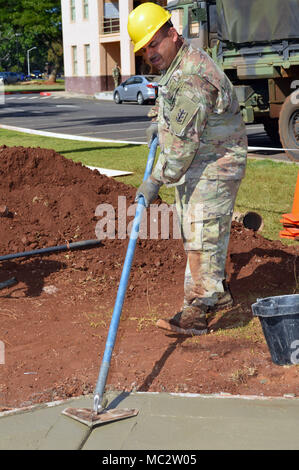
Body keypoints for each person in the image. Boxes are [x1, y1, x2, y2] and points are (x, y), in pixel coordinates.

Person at [127, 3, 248, 336]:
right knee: (195, 230)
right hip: (200, 159)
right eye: (144, 49)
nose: (150, 53)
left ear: (172, 33)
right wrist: (160, 125)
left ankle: (198, 308)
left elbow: (180, 149)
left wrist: (154, 181)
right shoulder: (177, 67)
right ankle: (217, 294)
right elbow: (176, 114)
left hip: (216, 162)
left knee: (201, 231)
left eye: (154, 43)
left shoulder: (192, 76)